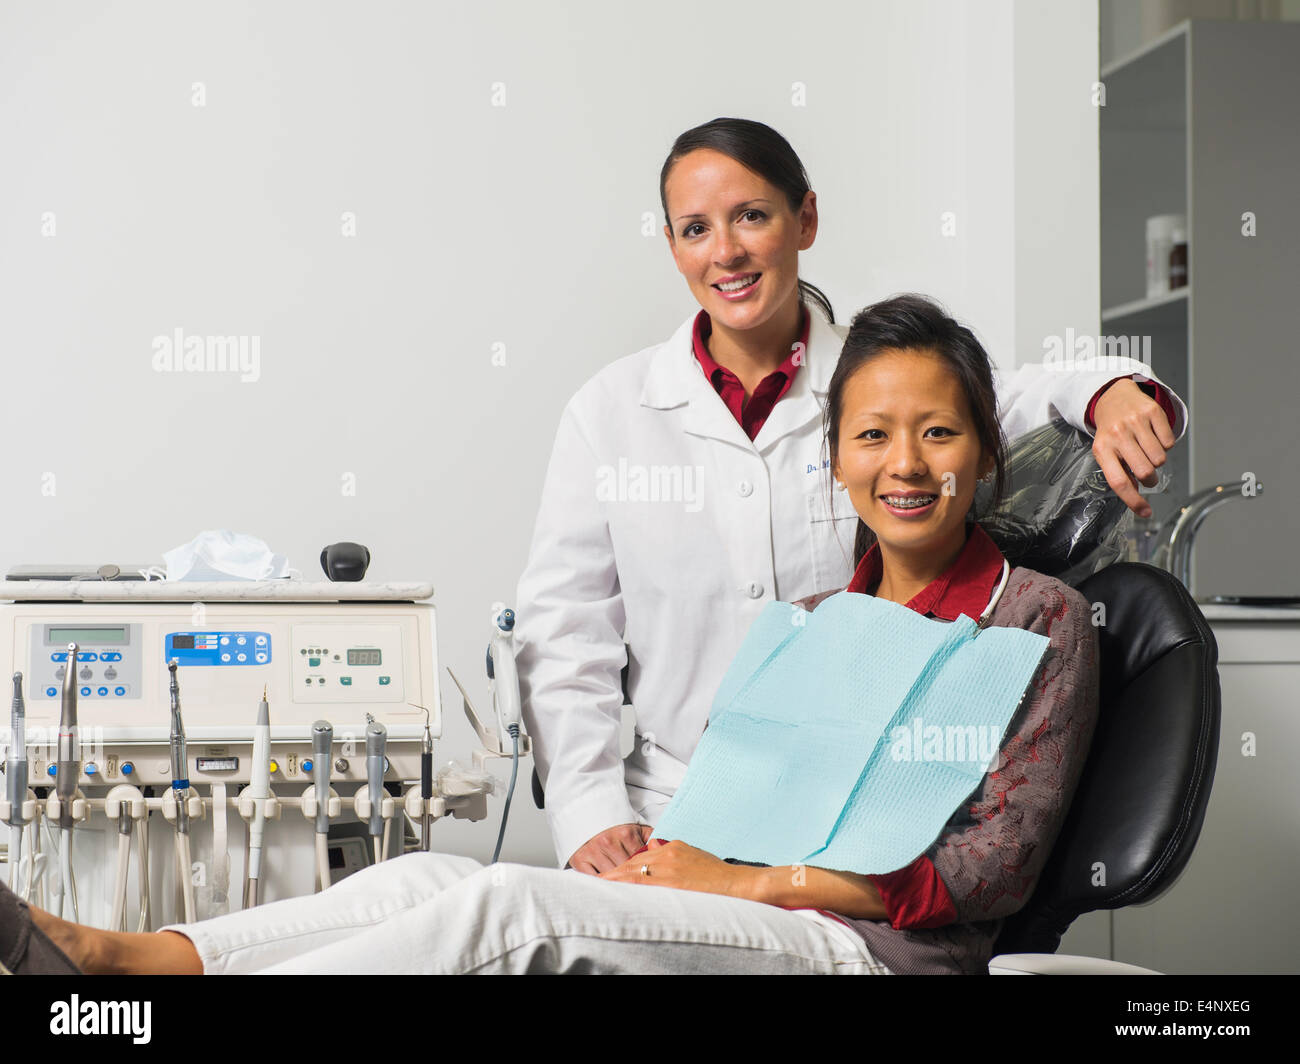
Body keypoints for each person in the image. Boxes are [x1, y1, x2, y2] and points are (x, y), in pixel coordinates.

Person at [4, 294, 1098, 975]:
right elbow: (737, 795)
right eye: (873, 434)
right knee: (429, 875)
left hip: (872, 949)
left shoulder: (1031, 617)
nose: (904, 463)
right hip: (729, 895)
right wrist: (693, 864)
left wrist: (755, 883)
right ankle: (126, 956)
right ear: (837, 458)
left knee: (506, 905)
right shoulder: (813, 623)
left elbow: (991, 868)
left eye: (937, 432)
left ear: (983, 449)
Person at [516, 116, 1178, 877]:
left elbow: (1001, 399)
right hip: (665, 807)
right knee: (455, 904)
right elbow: (567, 635)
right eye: (696, 228)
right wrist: (590, 812)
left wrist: (1110, 390)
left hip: (843, 815)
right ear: (672, 246)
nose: (725, 251)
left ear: (806, 219)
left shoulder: (877, 387)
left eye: (752, 216)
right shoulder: (609, 414)